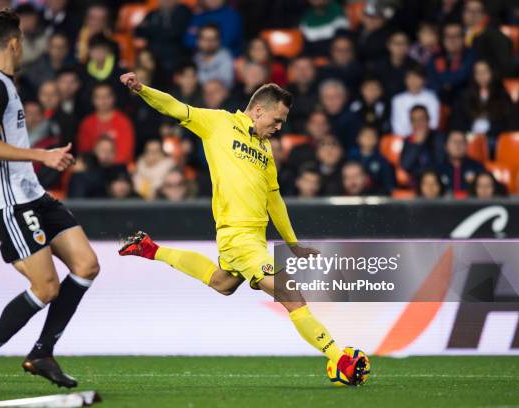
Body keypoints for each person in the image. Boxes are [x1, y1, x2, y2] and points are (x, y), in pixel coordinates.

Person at [118, 72, 368, 385]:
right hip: (238, 237)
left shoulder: (266, 151)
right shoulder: (218, 123)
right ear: (259, 110)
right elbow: (175, 107)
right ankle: (338, 358)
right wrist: (142, 89)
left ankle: (150, 249)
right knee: (290, 293)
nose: (278, 128)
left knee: (222, 283)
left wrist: (292, 243)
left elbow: (274, 201)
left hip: (255, 240)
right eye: (277, 120)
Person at [0, 10, 99, 392]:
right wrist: (41, 156)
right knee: (46, 287)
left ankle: (43, 352)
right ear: (13, 43)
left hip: (30, 192)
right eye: (22, 43)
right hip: (13, 203)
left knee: (86, 264)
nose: (23, 50)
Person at [77, 82, 135, 165]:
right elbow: (84, 151)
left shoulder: (123, 122)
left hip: (117, 168)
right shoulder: (87, 123)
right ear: (93, 100)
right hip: (92, 169)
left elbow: (126, 154)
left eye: (107, 96)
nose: (103, 100)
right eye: (98, 97)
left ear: (114, 98)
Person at [390, 65, 441, 136]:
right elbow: (397, 127)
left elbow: (433, 123)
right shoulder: (397, 100)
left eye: (417, 77)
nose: (413, 81)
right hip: (405, 139)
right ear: (405, 80)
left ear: (424, 80)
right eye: (410, 78)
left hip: (428, 137)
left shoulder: (431, 98)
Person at [436, 130, 484, 196]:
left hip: (472, 205)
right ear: (446, 146)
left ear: (467, 146)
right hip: (443, 205)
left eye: (462, 142)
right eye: (454, 142)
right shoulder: (438, 168)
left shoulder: (477, 167)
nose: (458, 145)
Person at [194, 23, 234, 89]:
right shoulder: (195, 58)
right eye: (205, 38)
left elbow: (226, 85)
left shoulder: (226, 57)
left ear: (219, 41)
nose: (208, 42)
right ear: (198, 41)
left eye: (213, 38)